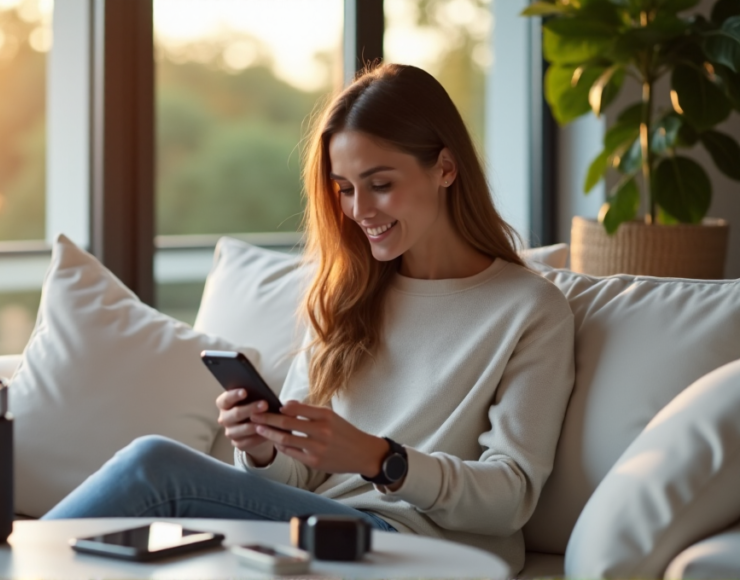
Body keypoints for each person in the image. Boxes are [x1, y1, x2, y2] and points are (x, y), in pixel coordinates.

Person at [42, 63, 575, 572]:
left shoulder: (528, 309)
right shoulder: (349, 295)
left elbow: (511, 497)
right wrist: (261, 449)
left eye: (380, 183)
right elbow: (302, 475)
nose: (359, 209)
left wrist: (379, 459)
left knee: (153, 469)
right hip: (317, 529)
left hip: (412, 546)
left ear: (445, 166)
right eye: (344, 188)